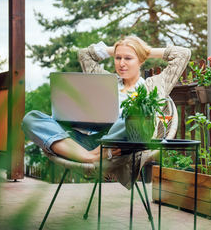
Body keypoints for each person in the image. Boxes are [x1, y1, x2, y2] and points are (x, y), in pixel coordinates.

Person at [22, 36, 191, 187]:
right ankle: (88, 157)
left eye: (128, 58)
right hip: (92, 141)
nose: (121, 63)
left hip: (121, 145)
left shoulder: (154, 85)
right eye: (118, 58)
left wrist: (144, 50)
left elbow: (182, 54)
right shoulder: (104, 80)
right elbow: (84, 55)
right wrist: (119, 47)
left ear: (140, 60)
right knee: (31, 118)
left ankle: (96, 152)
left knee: (133, 114)